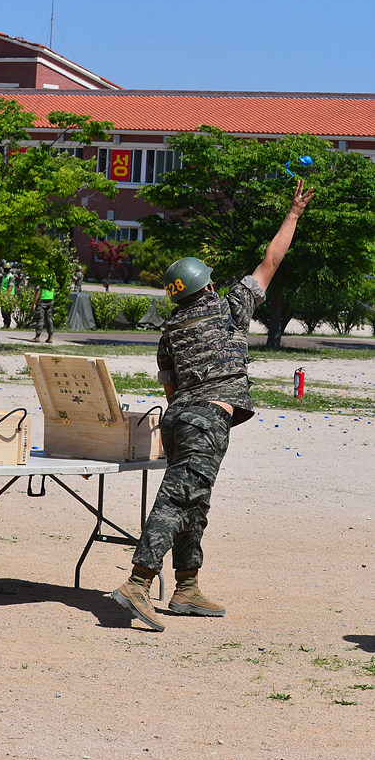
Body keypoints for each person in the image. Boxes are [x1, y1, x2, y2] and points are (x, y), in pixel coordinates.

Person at [112, 179, 314, 631]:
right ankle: (138, 582)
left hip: (180, 417)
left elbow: (170, 390)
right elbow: (272, 260)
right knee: (177, 498)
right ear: (205, 287)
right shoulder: (229, 308)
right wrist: (293, 214)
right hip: (207, 420)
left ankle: (186, 587)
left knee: (193, 501)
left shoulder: (169, 333)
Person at [31, 272, 55, 343]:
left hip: (42, 299)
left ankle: (38, 336)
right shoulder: (52, 277)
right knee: (49, 319)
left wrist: (34, 303)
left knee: (40, 319)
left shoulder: (41, 278)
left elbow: (38, 291)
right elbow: (53, 290)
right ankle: (50, 337)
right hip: (50, 299)